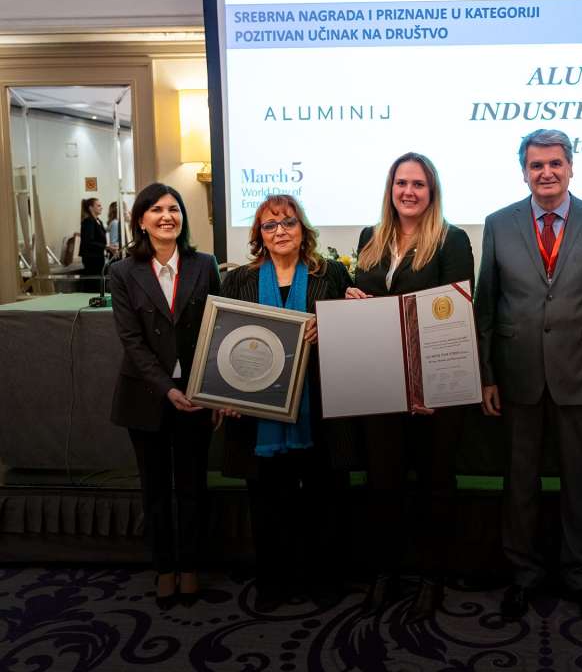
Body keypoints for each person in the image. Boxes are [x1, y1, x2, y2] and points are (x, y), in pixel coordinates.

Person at [475, 128, 582, 626]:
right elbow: (486, 305)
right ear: (524, 172)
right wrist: (487, 374)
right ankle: (522, 576)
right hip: (516, 374)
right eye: (536, 165)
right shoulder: (498, 224)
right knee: (519, 481)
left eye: (555, 164)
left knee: (579, 483)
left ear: (570, 167)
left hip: (580, 374)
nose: (546, 173)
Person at [345, 152, 474, 622]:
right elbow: (371, 301)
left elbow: (454, 314)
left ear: (431, 190)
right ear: (391, 188)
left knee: (435, 484)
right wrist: (353, 298)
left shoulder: (451, 240)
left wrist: (425, 385)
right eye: (402, 183)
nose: (409, 191)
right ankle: (386, 573)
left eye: (418, 184)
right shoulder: (370, 237)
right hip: (380, 382)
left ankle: (431, 578)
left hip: (434, 389)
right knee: (384, 482)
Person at [220, 194, 354, 613]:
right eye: (270, 225)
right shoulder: (238, 280)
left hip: (320, 408)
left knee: (323, 499)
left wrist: (329, 325)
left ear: (303, 229)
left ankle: (323, 580)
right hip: (259, 413)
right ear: (259, 235)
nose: (280, 231)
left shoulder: (330, 273)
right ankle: (273, 582)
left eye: (288, 223)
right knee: (267, 502)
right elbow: (226, 342)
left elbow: (350, 330)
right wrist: (225, 394)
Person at [108, 183, 221, 609]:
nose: (166, 216)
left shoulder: (204, 264)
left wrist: (212, 389)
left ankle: (190, 566)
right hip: (146, 395)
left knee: (193, 486)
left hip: (196, 394)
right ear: (141, 220)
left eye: (174, 209)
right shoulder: (123, 272)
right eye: (155, 209)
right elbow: (131, 341)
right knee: (154, 489)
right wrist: (167, 388)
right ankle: (164, 569)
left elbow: (218, 328)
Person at [79, 197, 107, 291]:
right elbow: (89, 242)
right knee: (93, 283)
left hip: (98, 257)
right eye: (98, 205)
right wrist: (106, 247)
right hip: (91, 258)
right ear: (91, 208)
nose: (101, 207)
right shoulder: (88, 222)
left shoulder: (98, 221)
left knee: (98, 282)